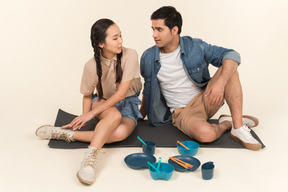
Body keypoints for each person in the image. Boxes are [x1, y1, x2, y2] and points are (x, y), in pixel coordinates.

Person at [35, 18, 143, 185]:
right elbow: (87, 95)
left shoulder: (131, 55)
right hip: (102, 102)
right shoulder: (91, 66)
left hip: (128, 102)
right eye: (115, 38)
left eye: (121, 36)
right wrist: (86, 116)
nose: (121, 41)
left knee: (120, 134)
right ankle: (89, 161)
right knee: (113, 116)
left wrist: (91, 115)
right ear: (101, 43)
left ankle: (66, 134)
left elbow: (122, 94)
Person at [139, 6, 261, 151]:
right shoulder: (148, 57)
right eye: (153, 29)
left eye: (159, 29)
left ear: (174, 30)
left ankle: (238, 127)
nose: (154, 34)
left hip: (207, 97)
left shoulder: (195, 46)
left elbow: (232, 55)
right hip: (183, 112)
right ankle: (228, 123)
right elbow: (148, 89)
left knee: (230, 68)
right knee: (206, 135)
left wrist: (220, 84)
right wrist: (140, 116)